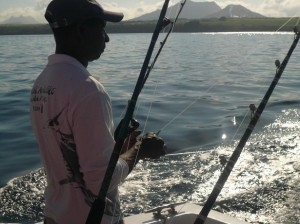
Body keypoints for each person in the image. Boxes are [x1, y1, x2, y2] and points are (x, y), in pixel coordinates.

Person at [29, 0, 166, 223]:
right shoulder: (88, 90)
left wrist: (118, 147)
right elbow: (101, 179)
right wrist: (140, 150)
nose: (106, 37)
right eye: (101, 28)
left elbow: (72, 153)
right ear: (83, 30)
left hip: (55, 216)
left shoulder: (42, 83)